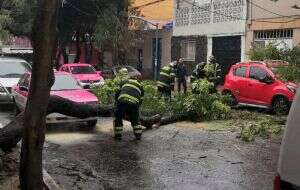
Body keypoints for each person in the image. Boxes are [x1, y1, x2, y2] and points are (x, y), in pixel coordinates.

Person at [114, 75, 144, 140]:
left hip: (122, 102)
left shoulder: (124, 81)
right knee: (135, 120)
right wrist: (136, 108)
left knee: (118, 118)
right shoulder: (141, 86)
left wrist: (116, 102)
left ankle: (118, 135)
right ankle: (138, 135)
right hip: (134, 104)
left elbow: (117, 93)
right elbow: (141, 99)